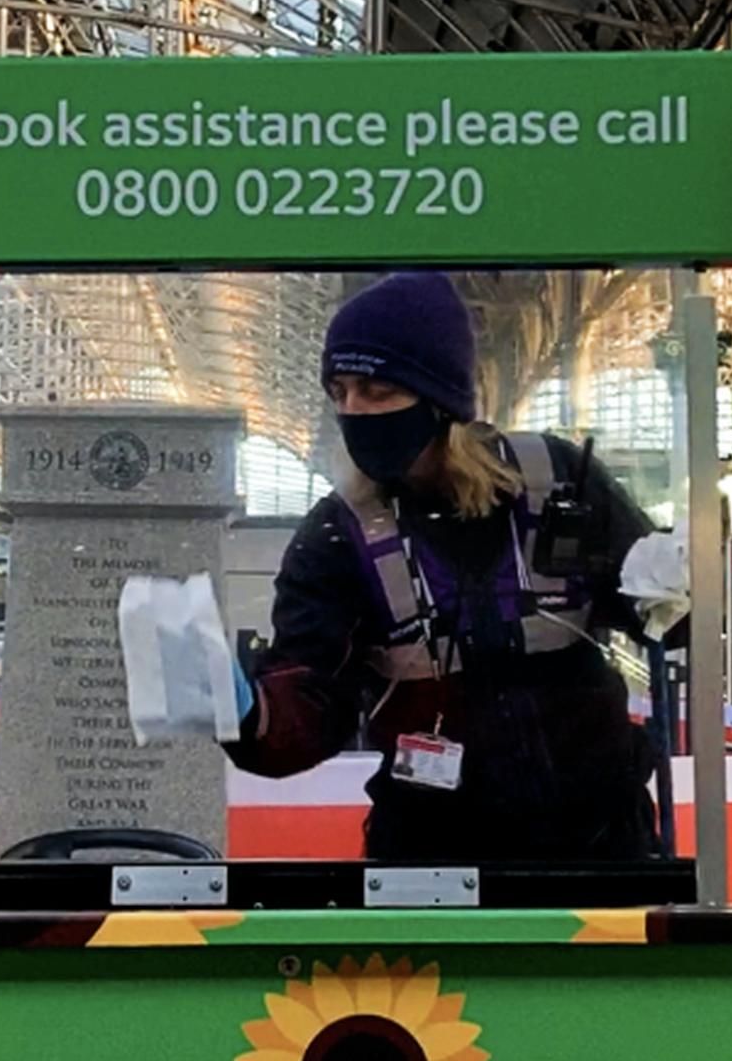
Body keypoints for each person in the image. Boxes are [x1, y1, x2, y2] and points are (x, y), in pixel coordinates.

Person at [224, 272, 672, 862]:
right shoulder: (338, 535)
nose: (353, 411)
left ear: (439, 399)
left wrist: (680, 586)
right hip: (431, 862)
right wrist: (247, 714)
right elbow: (312, 704)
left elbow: (659, 614)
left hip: (602, 850)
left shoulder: (557, 481)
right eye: (340, 392)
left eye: (376, 392)